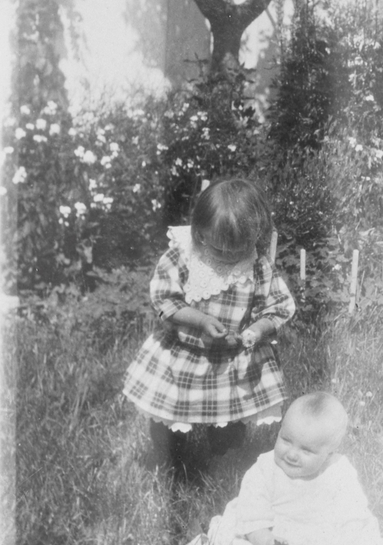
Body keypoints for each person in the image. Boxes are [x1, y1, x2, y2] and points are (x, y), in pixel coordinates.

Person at [122, 178, 296, 474]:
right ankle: (173, 463)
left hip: (232, 360)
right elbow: (165, 299)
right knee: (171, 418)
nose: (229, 258)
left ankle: (223, 463)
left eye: (238, 251)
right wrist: (201, 321)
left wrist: (257, 330)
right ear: (200, 233)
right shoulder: (183, 255)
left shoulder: (257, 265)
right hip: (183, 354)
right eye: (220, 249)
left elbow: (279, 305)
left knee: (230, 424)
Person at [185, 393, 383, 545]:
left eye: (306, 450)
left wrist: (346, 532)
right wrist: (264, 540)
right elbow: (251, 513)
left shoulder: (337, 471)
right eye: (286, 440)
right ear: (280, 430)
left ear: (329, 453)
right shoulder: (266, 468)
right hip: (268, 531)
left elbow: (353, 510)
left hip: (315, 535)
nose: (291, 454)